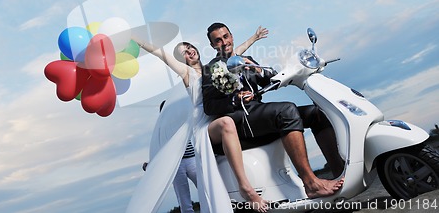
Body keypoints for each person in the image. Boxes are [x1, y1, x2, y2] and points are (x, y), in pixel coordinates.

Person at [133, 26, 270, 213]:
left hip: (219, 115)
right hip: (204, 127)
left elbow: (236, 51)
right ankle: (245, 187)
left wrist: (254, 38)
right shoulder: (187, 73)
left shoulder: (213, 67)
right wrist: (138, 41)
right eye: (184, 53)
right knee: (227, 123)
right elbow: (161, 54)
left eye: (189, 47)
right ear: (182, 61)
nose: (189, 51)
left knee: (237, 120)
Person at [202, 22, 345, 199]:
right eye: (218, 40)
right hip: (242, 118)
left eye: (226, 37)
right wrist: (235, 99)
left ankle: (339, 172)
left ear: (231, 36)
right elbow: (209, 106)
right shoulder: (212, 69)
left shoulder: (247, 59)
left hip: (259, 111)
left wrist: (256, 68)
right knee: (286, 110)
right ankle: (311, 183)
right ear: (213, 45)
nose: (224, 42)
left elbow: (270, 79)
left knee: (315, 113)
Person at [142, 101, 198, 213]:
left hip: (191, 159)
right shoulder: (162, 129)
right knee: (184, 200)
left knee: (205, 188)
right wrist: (151, 164)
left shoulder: (183, 120)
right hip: (176, 164)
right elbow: (158, 147)